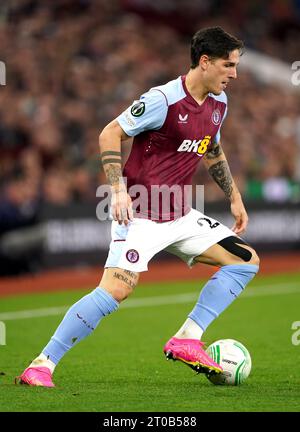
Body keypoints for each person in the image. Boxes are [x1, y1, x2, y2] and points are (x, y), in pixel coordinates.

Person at [16, 26, 259, 387]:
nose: (234, 74)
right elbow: (109, 132)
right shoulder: (163, 99)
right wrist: (117, 190)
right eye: (228, 65)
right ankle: (41, 364)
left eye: (236, 66)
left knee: (245, 262)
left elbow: (211, 148)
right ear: (204, 62)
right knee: (115, 291)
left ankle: (187, 339)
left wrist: (234, 196)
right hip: (141, 212)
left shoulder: (219, 103)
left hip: (180, 214)